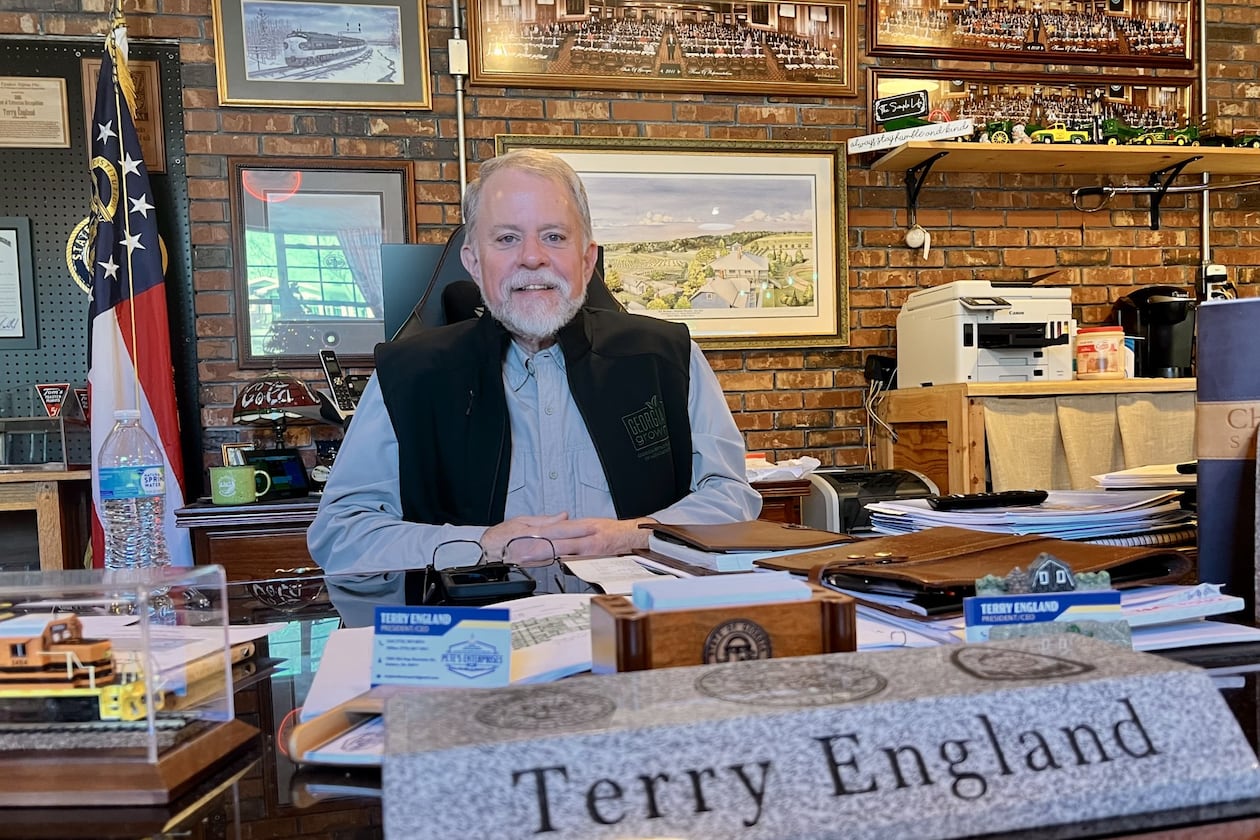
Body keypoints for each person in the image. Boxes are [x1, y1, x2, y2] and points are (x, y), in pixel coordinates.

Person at [308, 149, 762, 626]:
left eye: (554, 236)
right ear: (473, 261)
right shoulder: (407, 374)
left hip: (641, 635)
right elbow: (341, 535)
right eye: (506, 238)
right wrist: (480, 545)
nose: (532, 257)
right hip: (468, 649)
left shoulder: (669, 357)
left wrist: (633, 534)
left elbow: (731, 499)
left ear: (587, 260)